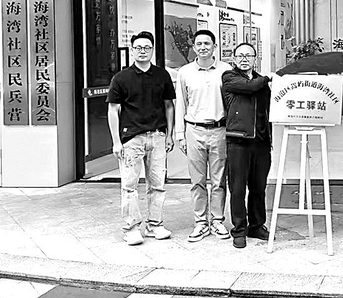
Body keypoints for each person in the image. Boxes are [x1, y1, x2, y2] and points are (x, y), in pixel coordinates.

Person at [106, 31, 176, 246]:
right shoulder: (121, 78)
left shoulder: (162, 75)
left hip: (157, 137)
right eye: (138, 47)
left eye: (147, 47)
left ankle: (155, 225)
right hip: (131, 139)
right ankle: (131, 228)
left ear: (152, 49)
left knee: (158, 185)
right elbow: (113, 109)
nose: (142, 51)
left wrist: (169, 134)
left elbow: (169, 106)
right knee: (129, 186)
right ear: (132, 50)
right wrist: (116, 141)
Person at [175, 29, 232, 243]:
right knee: (197, 180)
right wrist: (180, 134)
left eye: (207, 43)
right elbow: (181, 103)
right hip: (194, 130)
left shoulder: (226, 70)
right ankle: (200, 222)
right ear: (193, 47)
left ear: (215, 46)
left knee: (219, 180)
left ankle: (217, 221)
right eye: (199, 44)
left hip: (220, 130)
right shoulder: (185, 72)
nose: (203, 47)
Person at [222, 42, 273, 249]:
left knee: (259, 187)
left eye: (249, 56)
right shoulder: (229, 77)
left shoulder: (261, 82)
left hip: (261, 142)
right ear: (234, 59)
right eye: (240, 56)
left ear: (255, 58)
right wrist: (269, 77)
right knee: (237, 188)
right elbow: (249, 87)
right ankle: (239, 229)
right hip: (238, 141)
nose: (244, 59)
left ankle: (257, 226)